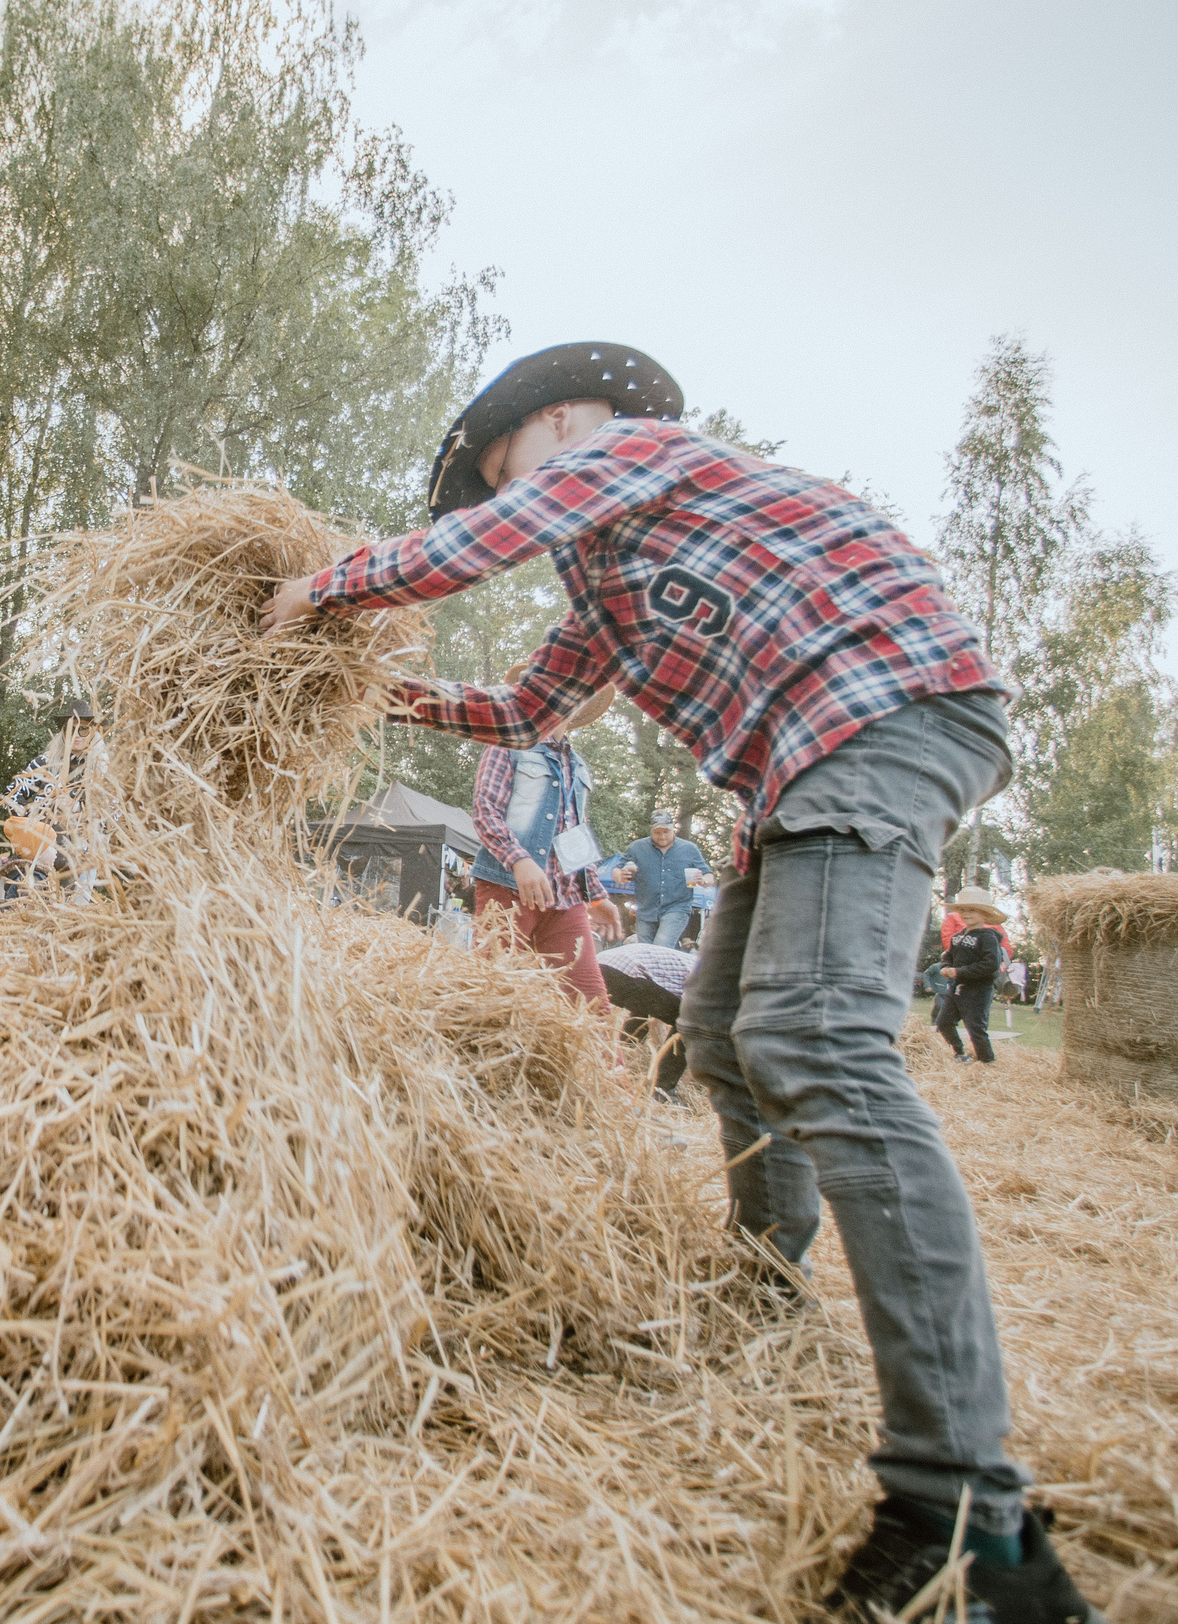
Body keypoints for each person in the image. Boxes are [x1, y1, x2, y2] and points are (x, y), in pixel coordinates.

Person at [258, 341, 1096, 1622]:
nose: (511, 498)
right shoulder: (609, 583)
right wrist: (376, 689)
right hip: (797, 771)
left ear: (567, 418)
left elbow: (484, 541)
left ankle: (969, 1520)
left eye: (508, 467)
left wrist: (318, 592)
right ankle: (764, 1285)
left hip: (879, 712)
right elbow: (529, 707)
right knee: (724, 1028)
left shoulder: (640, 453)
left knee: (818, 1041)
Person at [468, 682, 614, 1009]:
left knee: (592, 1006)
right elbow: (485, 810)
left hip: (565, 898)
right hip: (507, 890)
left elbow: (575, 834)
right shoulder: (508, 742)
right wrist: (520, 861)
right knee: (490, 994)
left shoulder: (577, 765)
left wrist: (596, 895)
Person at [0, 698, 100, 889]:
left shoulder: (99, 771)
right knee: (23, 894)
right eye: (70, 729)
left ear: (93, 732)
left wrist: (75, 808)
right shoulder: (45, 763)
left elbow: (110, 817)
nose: (76, 735)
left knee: (71, 904)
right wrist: (32, 818)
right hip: (39, 856)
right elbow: (11, 794)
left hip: (78, 860)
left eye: (83, 730)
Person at [597, 940, 697, 1099]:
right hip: (627, 970)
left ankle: (626, 1050)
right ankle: (662, 1090)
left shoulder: (702, 965)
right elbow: (693, 1016)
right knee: (690, 1025)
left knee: (645, 1006)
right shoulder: (715, 977)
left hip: (605, 964)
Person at [935, 887, 1011, 1064]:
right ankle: (960, 1053)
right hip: (956, 988)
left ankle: (987, 1061)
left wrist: (959, 972)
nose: (966, 913)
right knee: (944, 1022)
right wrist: (946, 967)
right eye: (962, 910)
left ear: (984, 914)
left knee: (975, 1027)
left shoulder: (988, 937)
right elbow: (948, 957)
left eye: (972, 910)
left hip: (978, 990)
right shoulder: (957, 937)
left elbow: (990, 965)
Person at [615, 811, 711, 947]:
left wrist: (704, 881)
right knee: (646, 951)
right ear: (651, 830)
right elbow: (617, 870)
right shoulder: (636, 847)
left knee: (661, 947)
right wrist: (620, 876)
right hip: (645, 911)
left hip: (677, 908)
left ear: (673, 828)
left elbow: (709, 875)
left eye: (666, 831)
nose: (662, 836)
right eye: (657, 832)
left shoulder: (689, 849)